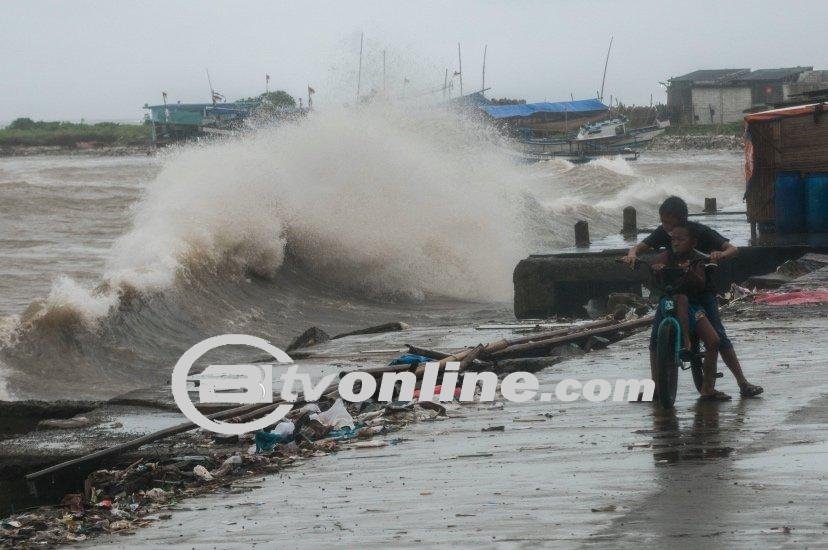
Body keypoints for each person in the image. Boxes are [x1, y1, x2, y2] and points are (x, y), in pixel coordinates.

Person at [622, 196, 763, 398]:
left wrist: (718, 255)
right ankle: (656, 387)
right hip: (674, 290)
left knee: (718, 336)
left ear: (683, 220)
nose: (668, 230)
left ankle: (742, 382)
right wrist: (633, 255)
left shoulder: (700, 233)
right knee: (655, 340)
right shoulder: (665, 233)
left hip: (701, 293)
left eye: (670, 223)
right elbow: (639, 248)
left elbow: (732, 249)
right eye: (664, 223)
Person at [651, 223, 728, 400]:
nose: (676, 243)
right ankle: (657, 386)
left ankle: (707, 387)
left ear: (693, 242)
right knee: (655, 342)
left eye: (681, 239)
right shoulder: (666, 257)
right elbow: (655, 266)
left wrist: (689, 272)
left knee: (714, 340)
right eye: (673, 239)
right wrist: (656, 270)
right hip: (668, 302)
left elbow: (700, 283)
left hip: (693, 306)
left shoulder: (696, 259)